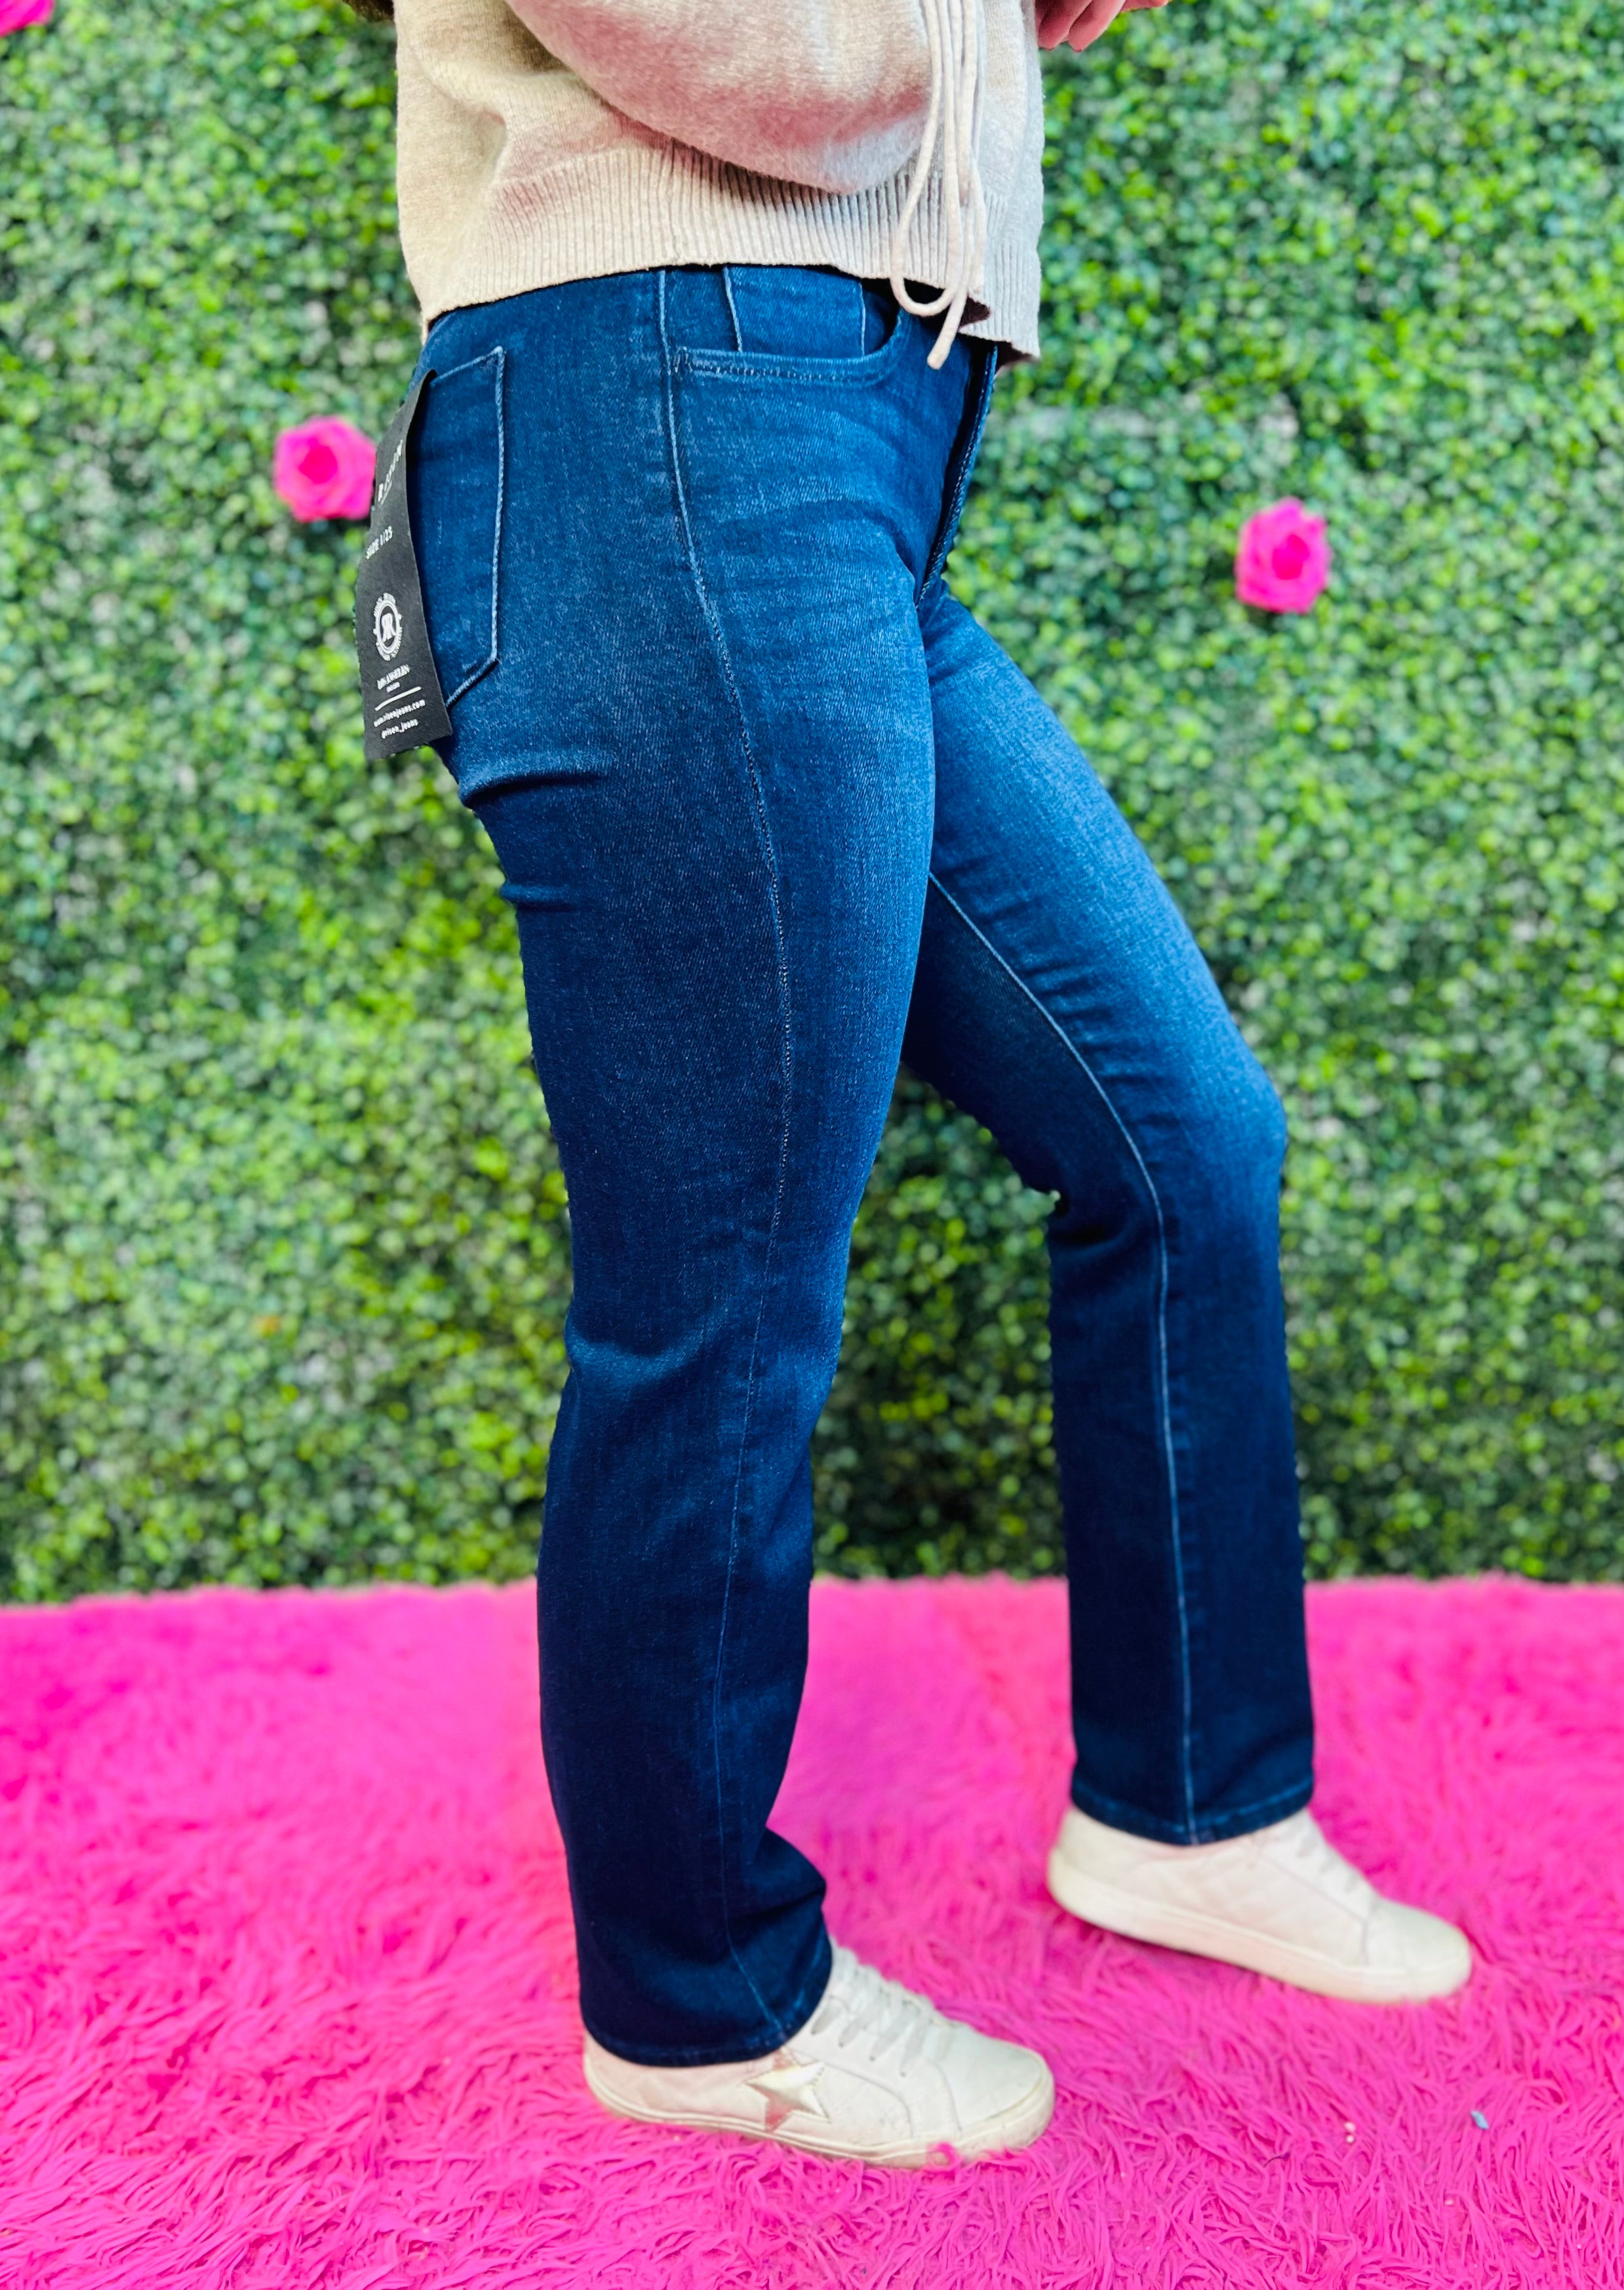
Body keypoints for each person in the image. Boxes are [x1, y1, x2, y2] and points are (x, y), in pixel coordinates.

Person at [349, 0, 1472, 2169]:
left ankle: (1189, 1806)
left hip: (838, 442)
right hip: (667, 418)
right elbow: (812, 77)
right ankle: (696, 1998)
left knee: (1176, 1139)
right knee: (717, 1287)